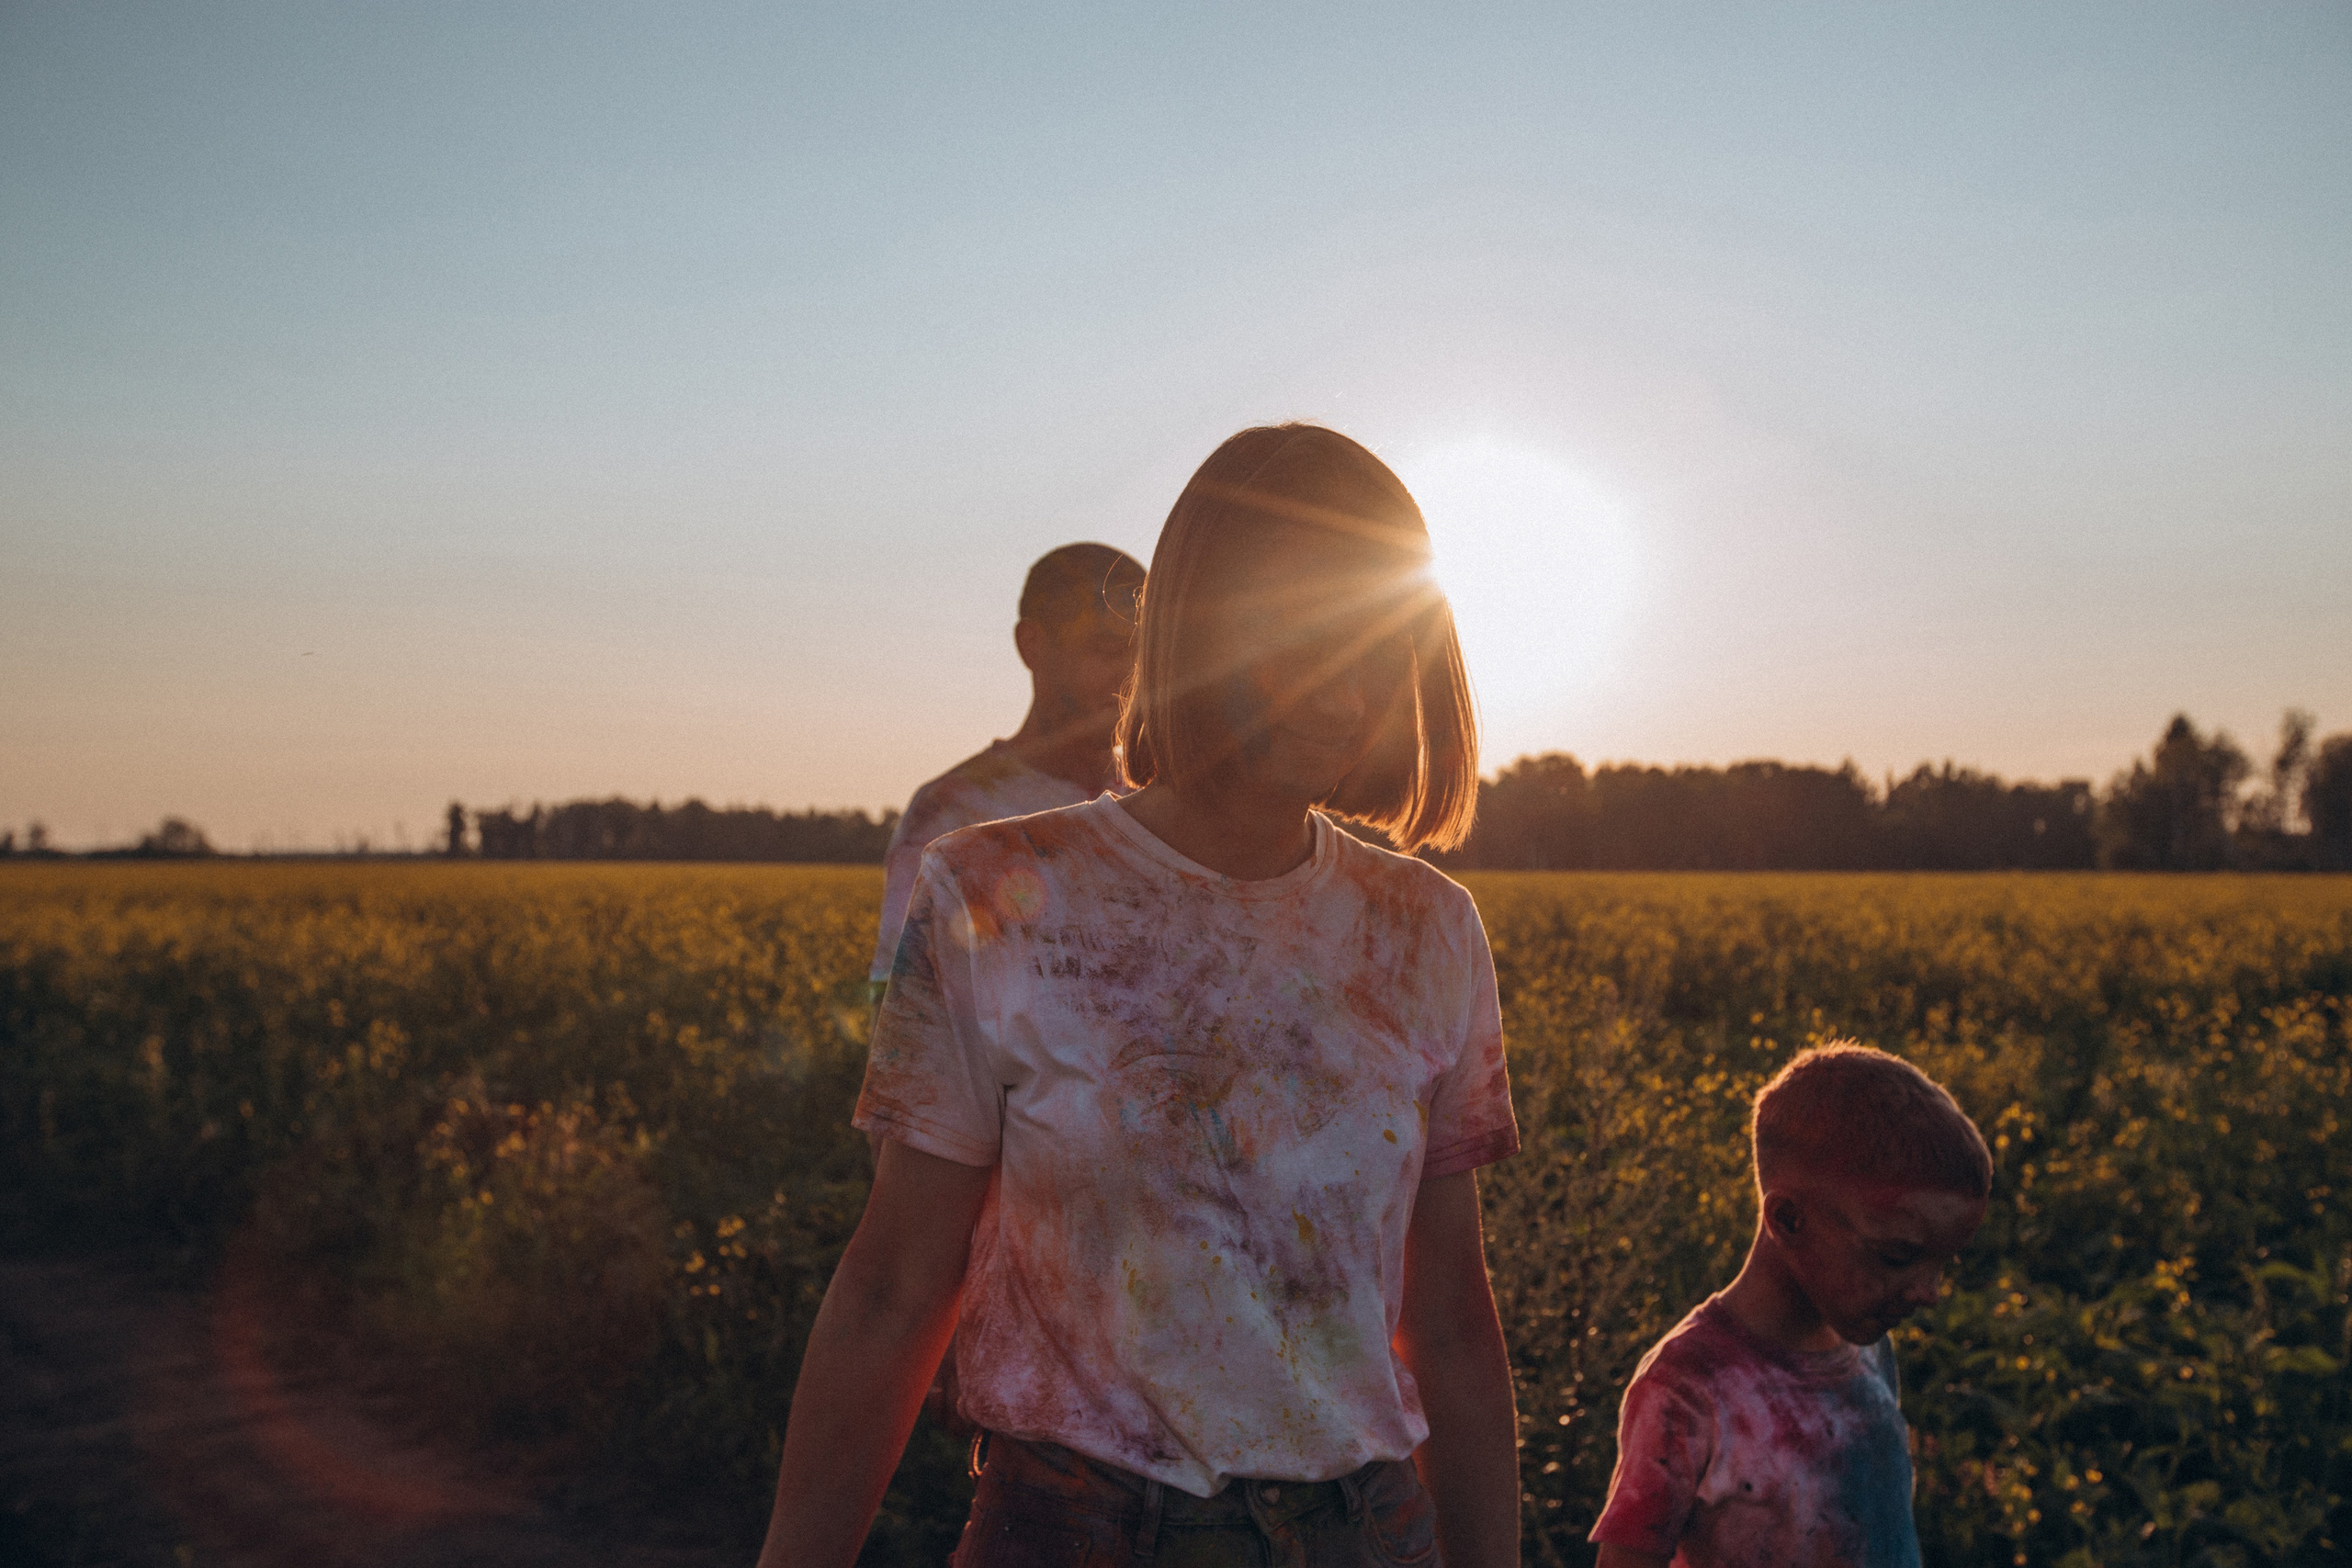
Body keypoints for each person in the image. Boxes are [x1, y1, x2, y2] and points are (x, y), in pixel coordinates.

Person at [756, 424, 1522, 1568]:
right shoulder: (988, 885)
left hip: (1367, 1534)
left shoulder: (1427, 930)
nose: (1343, 689)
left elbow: (1451, 1320)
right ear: (1197, 633)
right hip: (1074, 1530)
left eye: (1379, 646)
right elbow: (892, 1286)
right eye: (1295, 637)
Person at [1589, 1043, 1993, 1568]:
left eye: (1943, 1263)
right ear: (1788, 1220)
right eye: (1898, 1256)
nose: (1929, 1292)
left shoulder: (1869, 1353)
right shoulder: (1687, 1388)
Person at [868, 541, 1147, 1004]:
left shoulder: (1162, 799)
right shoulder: (951, 814)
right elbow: (900, 1017)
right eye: (1107, 649)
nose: (1131, 676)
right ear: (1032, 645)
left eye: (1143, 654)